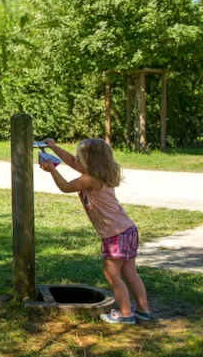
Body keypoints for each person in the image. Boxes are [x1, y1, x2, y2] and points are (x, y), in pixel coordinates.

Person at [39, 138, 151, 324]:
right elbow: (74, 163)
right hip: (127, 229)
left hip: (115, 234)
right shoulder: (103, 173)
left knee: (111, 273)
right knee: (130, 272)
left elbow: (65, 187)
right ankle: (143, 310)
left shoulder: (89, 179)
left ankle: (125, 314)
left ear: (89, 161)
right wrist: (55, 148)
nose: (75, 160)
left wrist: (52, 170)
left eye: (78, 157)